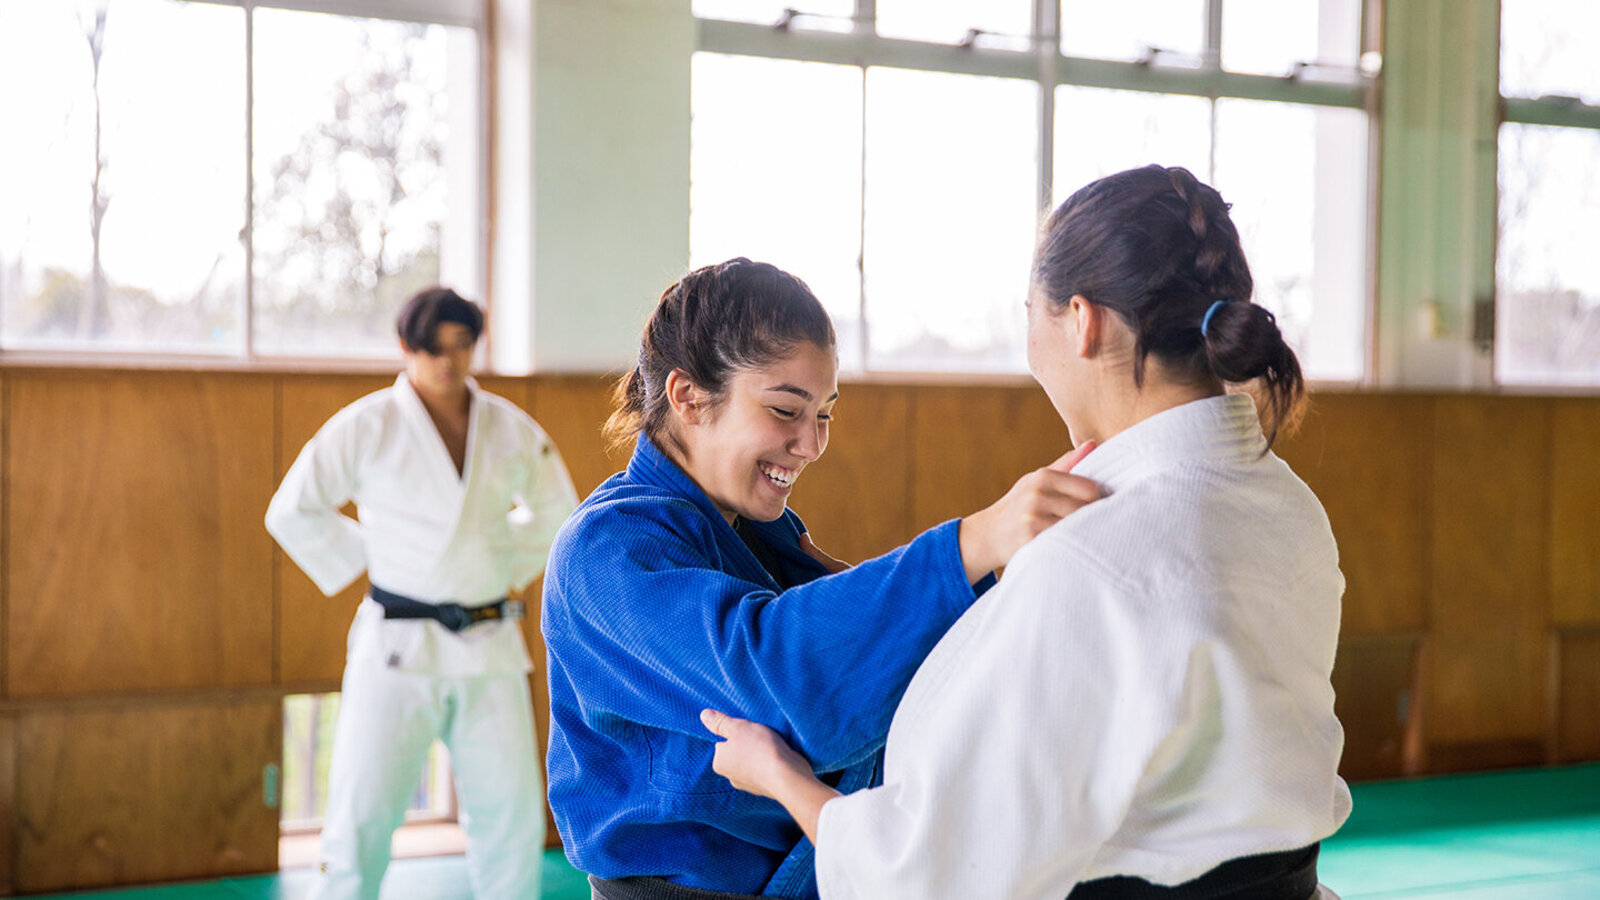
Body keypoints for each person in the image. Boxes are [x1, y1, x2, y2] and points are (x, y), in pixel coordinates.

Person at [702, 165, 1351, 900]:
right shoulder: (1284, 500)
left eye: (1029, 313)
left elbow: (931, 873)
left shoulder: (1094, 554)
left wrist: (781, 779)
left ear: (1082, 321)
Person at [541, 257, 1101, 900]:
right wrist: (973, 542)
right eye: (785, 410)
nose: (810, 444)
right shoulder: (608, 550)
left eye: (825, 414)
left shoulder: (752, 529)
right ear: (689, 397)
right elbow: (782, 683)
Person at [265, 286, 579, 900]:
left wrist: (495, 561)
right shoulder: (369, 424)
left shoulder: (509, 428)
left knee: (511, 819)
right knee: (362, 814)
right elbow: (293, 510)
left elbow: (559, 516)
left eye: (461, 346)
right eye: (433, 349)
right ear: (405, 348)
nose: (448, 361)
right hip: (396, 645)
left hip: (489, 641)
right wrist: (373, 556)